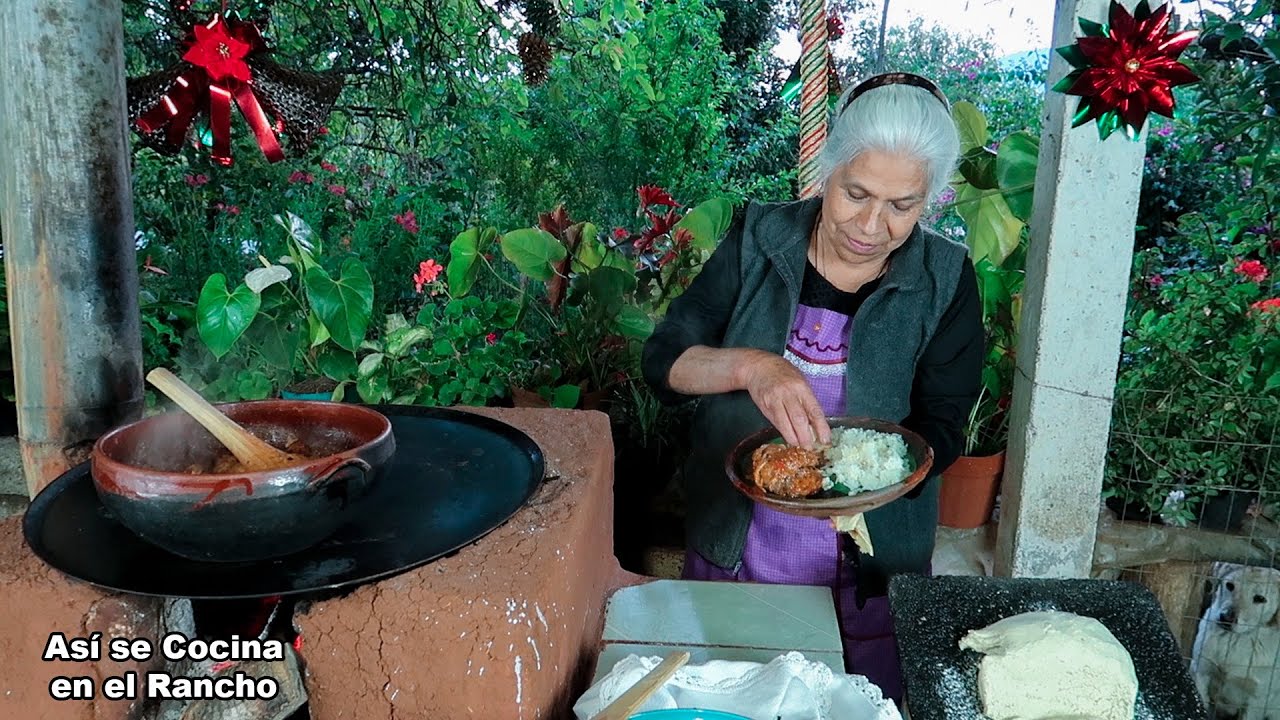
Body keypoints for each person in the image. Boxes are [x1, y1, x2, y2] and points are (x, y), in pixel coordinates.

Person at [640, 72, 984, 704]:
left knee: (850, 706)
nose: (872, 225)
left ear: (928, 198)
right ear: (828, 168)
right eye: (856, 193)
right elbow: (664, 360)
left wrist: (862, 475)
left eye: (902, 205)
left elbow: (944, 422)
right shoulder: (758, 240)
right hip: (738, 546)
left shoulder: (946, 278)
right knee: (735, 700)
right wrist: (752, 368)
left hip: (871, 567)